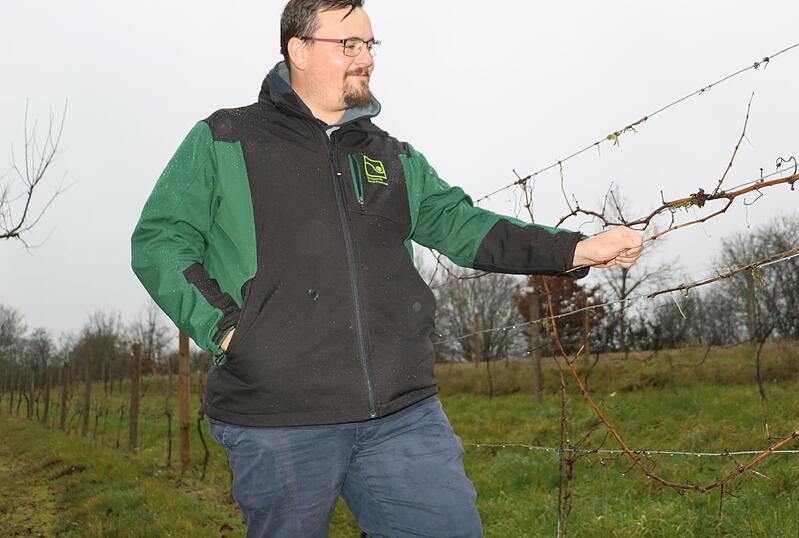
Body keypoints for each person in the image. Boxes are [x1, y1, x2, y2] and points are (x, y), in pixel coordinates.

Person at [131, 1, 643, 536]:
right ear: (298, 50)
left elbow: (464, 226)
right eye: (347, 44)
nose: (364, 58)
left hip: (401, 412)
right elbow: (160, 241)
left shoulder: (391, 156)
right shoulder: (225, 139)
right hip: (279, 417)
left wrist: (577, 250)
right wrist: (230, 331)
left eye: (369, 45)